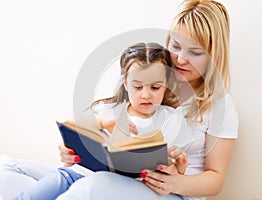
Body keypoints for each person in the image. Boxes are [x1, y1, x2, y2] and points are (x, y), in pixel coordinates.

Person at [0, 0, 238, 200]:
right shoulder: (145, 78)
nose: (181, 59)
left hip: (170, 192)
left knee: (94, 186)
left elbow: (215, 179)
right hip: (115, 181)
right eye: (176, 46)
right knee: (9, 170)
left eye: (195, 52)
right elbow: (104, 133)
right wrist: (73, 150)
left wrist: (177, 183)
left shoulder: (219, 105)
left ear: (214, 54)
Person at [3, 42, 191, 200]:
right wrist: (102, 124)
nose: (146, 95)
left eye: (155, 87)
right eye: (138, 86)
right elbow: (72, 127)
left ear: (166, 84)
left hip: (113, 188)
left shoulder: (170, 119)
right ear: (125, 82)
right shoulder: (107, 110)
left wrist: (179, 167)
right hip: (74, 174)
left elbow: (171, 171)